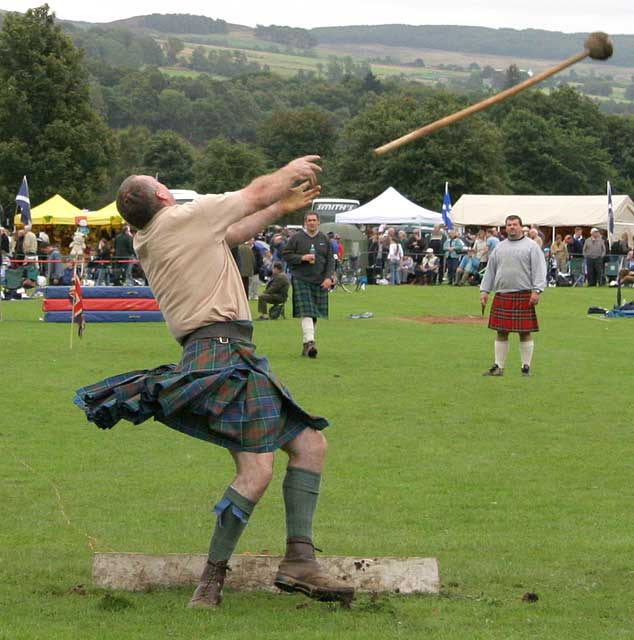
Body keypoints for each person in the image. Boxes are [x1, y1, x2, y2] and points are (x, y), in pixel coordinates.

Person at [73, 156, 354, 608]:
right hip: (221, 352)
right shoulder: (183, 218)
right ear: (164, 196)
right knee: (257, 471)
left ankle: (298, 559)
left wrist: (282, 207)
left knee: (309, 446)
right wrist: (289, 171)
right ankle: (212, 579)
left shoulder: (160, 234)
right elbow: (254, 193)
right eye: (161, 183)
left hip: (227, 352)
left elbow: (235, 232)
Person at [480, 214, 547, 377]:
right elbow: (491, 270)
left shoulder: (531, 246)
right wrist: (484, 290)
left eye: (514, 224)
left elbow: (539, 269)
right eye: (508, 225)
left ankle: (526, 367)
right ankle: (498, 366)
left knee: (525, 332)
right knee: (501, 331)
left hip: (524, 293)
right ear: (505, 227)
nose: (511, 227)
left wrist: (537, 290)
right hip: (503, 294)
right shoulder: (500, 247)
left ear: (521, 227)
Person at [282, 211, 335, 358]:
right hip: (301, 279)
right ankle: (311, 342)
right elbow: (285, 255)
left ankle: (307, 345)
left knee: (315, 313)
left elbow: (331, 261)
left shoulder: (325, 239)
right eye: (309, 220)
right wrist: (301, 257)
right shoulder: (297, 238)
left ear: (318, 222)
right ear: (305, 222)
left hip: (319, 280)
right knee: (307, 311)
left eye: (314, 220)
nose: (311, 223)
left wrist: (328, 278)